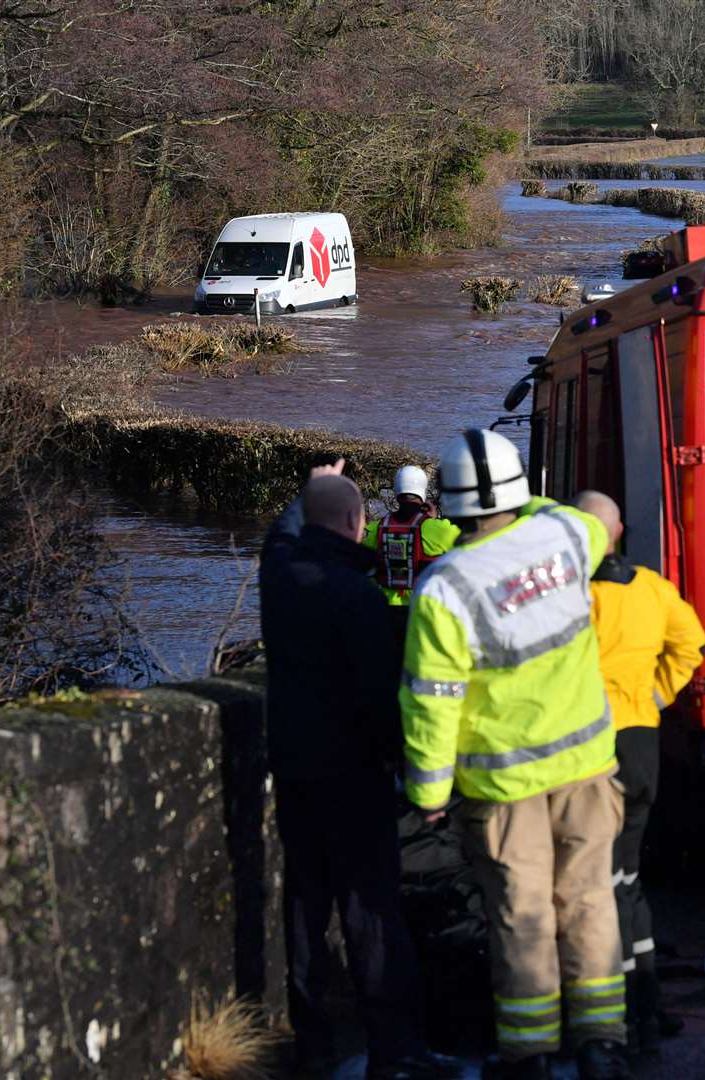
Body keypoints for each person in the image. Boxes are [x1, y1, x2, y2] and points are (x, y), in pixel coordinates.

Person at [401, 430, 630, 1080]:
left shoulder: (444, 589)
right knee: (589, 901)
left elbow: (431, 703)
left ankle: (529, 1054)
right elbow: (584, 513)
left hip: (504, 786)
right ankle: (602, 1045)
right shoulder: (565, 535)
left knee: (521, 916)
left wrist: (427, 793)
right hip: (588, 764)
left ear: (447, 505)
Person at [259, 463, 458, 1080]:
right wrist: (407, 768)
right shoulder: (358, 598)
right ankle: (392, 1049)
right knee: (370, 913)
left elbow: (278, 538)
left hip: (294, 770)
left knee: (304, 911)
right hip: (354, 775)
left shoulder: (279, 578)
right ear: (354, 524)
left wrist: (309, 489)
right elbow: (380, 698)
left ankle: (311, 1045)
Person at [572, 490, 705, 1057]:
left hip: (590, 745)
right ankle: (647, 1002)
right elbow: (691, 643)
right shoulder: (652, 588)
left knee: (599, 884)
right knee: (628, 875)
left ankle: (619, 1010)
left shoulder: (573, 597)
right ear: (621, 530)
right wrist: (655, 692)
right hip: (642, 741)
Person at [365, 464, 461, 605]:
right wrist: (433, 521)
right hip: (421, 609)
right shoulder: (440, 529)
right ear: (422, 491)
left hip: (385, 611)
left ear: (397, 491)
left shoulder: (374, 529)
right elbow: (470, 545)